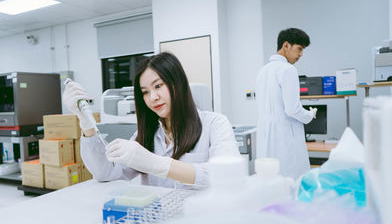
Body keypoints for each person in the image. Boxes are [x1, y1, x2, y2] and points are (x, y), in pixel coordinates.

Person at [62, 52, 240, 189]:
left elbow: (227, 176)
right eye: (145, 92)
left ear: (178, 83)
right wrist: (85, 122)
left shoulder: (215, 124)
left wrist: (155, 163)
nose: (152, 97)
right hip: (157, 223)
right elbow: (106, 173)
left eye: (158, 86)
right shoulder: (146, 134)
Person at [255, 28, 317, 180]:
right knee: (291, 181)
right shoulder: (288, 70)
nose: (301, 54)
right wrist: (310, 115)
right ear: (286, 46)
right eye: (299, 49)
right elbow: (293, 109)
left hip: (265, 135)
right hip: (285, 137)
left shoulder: (263, 71)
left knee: (269, 180)